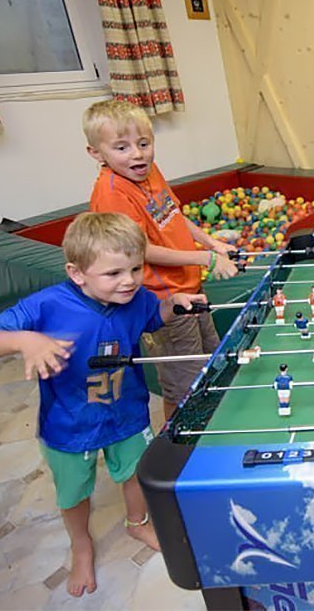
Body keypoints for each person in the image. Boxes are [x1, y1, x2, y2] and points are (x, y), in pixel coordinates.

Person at [0, 212, 206, 598]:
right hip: (69, 424)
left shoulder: (136, 296)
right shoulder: (47, 305)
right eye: (113, 274)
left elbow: (150, 317)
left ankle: (137, 521)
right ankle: (81, 545)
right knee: (74, 492)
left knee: (134, 473)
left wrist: (173, 304)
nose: (128, 280)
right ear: (77, 273)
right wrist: (25, 341)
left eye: (136, 268)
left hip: (127, 413)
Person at [84, 99, 237, 421]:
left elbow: (173, 215)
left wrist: (211, 242)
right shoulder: (113, 192)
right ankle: (178, 446)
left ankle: (208, 422)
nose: (137, 154)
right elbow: (139, 250)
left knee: (209, 357)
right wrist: (206, 257)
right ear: (97, 153)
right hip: (162, 300)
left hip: (189, 286)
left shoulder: (150, 171)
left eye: (143, 144)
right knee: (184, 381)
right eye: (122, 147)